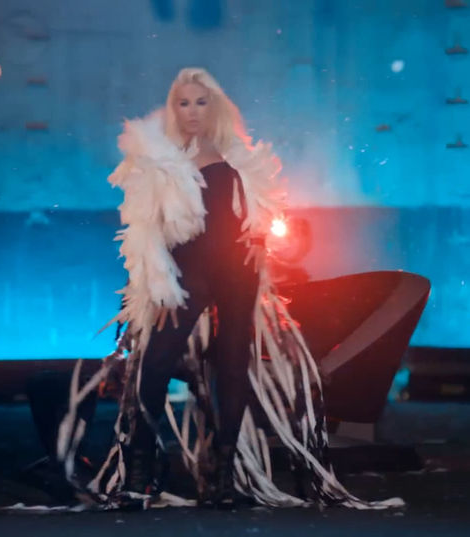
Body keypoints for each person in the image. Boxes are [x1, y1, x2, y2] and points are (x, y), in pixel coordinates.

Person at [56, 67, 403, 511]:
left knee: (233, 366)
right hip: (186, 270)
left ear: (215, 106)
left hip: (236, 270)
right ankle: (138, 473)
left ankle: (221, 478)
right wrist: (153, 278)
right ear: (173, 108)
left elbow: (258, 206)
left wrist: (258, 240)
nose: (192, 111)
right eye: (184, 103)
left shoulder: (235, 153)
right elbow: (145, 226)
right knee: (156, 362)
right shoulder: (158, 156)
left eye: (201, 102)